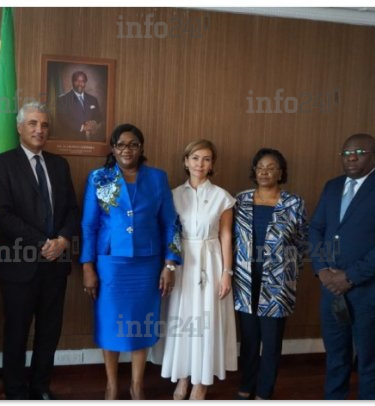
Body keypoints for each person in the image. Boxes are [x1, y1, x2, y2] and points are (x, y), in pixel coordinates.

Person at [80, 123, 181, 400]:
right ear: (113, 148)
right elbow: (88, 225)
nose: (127, 150)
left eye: (133, 144)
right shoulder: (99, 178)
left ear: (141, 148)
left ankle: (137, 385)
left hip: (147, 265)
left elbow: (170, 223)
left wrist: (170, 264)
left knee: (141, 322)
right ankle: (112, 385)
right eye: (121, 144)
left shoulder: (157, 178)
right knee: (110, 322)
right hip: (111, 264)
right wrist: (87, 266)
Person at [309, 133, 375, 399]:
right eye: (346, 153)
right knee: (336, 358)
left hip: (369, 290)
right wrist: (322, 269)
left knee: (369, 360)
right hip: (330, 288)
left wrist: (350, 277)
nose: (351, 158)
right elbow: (316, 228)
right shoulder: (332, 186)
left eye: (359, 152)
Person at [0, 102, 78, 400]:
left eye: (44, 125)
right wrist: (42, 242)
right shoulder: (2, 163)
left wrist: (63, 240)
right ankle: (15, 391)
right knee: (16, 331)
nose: (40, 129)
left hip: (56, 263)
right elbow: (2, 214)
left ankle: (41, 387)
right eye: (33, 123)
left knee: (49, 331)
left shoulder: (59, 164)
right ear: (19, 127)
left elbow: (71, 209)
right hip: (18, 263)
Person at [160, 140, 238, 400]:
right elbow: (168, 233)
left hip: (211, 261)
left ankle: (201, 382)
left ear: (212, 164)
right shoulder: (173, 195)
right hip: (182, 262)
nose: (200, 164)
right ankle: (183, 376)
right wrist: (168, 266)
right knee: (182, 318)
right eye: (195, 158)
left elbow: (226, 236)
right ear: (186, 161)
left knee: (206, 319)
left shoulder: (222, 197)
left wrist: (227, 273)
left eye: (206, 159)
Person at [233, 148, 308, 400]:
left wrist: (289, 275)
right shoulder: (240, 200)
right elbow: (231, 238)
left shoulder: (294, 203)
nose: (265, 172)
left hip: (277, 282)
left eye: (271, 167)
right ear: (254, 171)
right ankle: (246, 386)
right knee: (249, 339)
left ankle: (264, 392)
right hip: (245, 279)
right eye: (260, 167)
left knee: (272, 341)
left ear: (281, 172)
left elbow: (302, 242)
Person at [55, 70, 104, 141]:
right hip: (71, 140)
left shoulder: (93, 99)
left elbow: (98, 116)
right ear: (72, 82)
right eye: (77, 81)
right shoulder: (63, 99)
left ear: (85, 83)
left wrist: (94, 123)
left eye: (83, 81)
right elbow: (63, 120)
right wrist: (82, 127)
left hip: (91, 140)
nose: (80, 84)